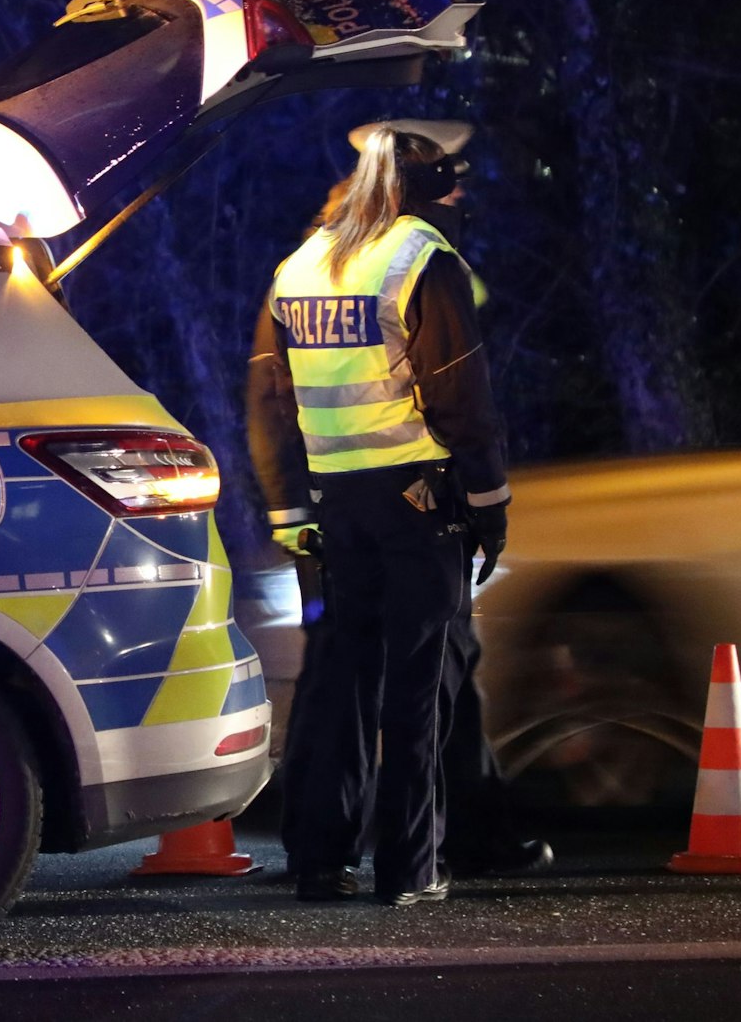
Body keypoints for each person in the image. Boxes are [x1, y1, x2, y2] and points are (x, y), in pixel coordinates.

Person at [247, 125, 522, 906]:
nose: (458, 203)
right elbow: (463, 397)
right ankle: (410, 868)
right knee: (418, 683)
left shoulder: (298, 266)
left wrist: (289, 506)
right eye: (449, 189)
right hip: (417, 500)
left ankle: (320, 862)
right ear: (418, 190)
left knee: (338, 679)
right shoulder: (421, 260)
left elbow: (271, 400)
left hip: (335, 507)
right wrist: (488, 505)